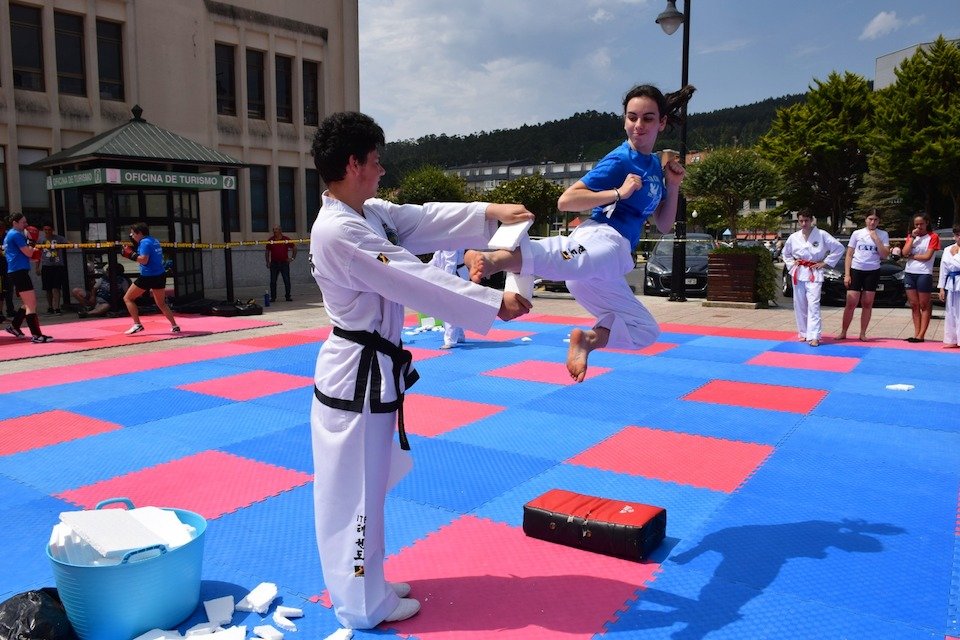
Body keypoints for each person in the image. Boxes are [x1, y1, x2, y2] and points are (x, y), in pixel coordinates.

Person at [308, 111, 533, 629]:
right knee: (353, 493)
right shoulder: (340, 230)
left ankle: (371, 583)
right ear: (353, 163)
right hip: (355, 375)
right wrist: (489, 303)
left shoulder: (367, 212)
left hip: (373, 370)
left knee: (371, 482)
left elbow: (424, 218)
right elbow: (410, 277)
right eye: (377, 159)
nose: (382, 168)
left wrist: (490, 210)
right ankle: (362, 605)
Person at [464, 84, 694, 382]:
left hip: (608, 265)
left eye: (648, 118)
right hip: (601, 240)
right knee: (575, 260)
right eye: (632, 117)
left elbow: (663, 224)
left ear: (661, 122)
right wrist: (617, 193)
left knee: (645, 330)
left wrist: (673, 185)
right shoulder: (620, 160)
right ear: (625, 120)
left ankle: (587, 341)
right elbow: (567, 200)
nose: (638, 126)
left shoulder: (653, 167)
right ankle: (497, 258)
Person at [781, 210, 844, 347]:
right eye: (801, 221)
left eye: (806, 221)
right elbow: (785, 253)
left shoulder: (821, 234)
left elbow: (839, 248)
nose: (804, 223)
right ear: (798, 221)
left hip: (814, 272)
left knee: (814, 304)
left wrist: (825, 263)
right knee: (799, 304)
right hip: (799, 272)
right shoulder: (793, 237)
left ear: (812, 220)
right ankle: (803, 332)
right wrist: (792, 265)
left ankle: (814, 335)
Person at [839, 209, 890, 341]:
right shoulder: (857, 233)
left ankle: (862, 333)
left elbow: (884, 255)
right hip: (857, 269)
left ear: (879, 221)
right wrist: (847, 274)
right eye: (870, 219)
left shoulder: (883, 234)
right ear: (865, 219)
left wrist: (876, 239)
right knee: (851, 302)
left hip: (873, 271)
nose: (872, 222)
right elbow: (849, 254)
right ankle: (843, 332)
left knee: (867, 303)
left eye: (875, 220)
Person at [121, 222, 180, 334]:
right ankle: (175, 325)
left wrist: (130, 255)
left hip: (148, 276)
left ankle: (137, 324)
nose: (131, 236)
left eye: (133, 233)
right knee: (161, 303)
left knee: (127, 298)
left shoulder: (144, 243)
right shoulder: (154, 240)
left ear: (139, 233)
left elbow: (144, 260)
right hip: (160, 275)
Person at [3, 213, 53, 343]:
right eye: (23, 222)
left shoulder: (10, 234)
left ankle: (14, 326)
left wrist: (32, 250)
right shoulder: (16, 235)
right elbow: (29, 252)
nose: (26, 225)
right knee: (31, 304)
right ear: (15, 222)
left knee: (27, 303)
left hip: (17, 271)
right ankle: (36, 335)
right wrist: (32, 241)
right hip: (18, 272)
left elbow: (25, 255)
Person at [902, 212, 940, 342]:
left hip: (924, 273)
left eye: (921, 224)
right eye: (916, 224)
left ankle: (921, 334)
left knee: (924, 304)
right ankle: (916, 332)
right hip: (910, 272)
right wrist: (912, 238)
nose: (919, 227)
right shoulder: (911, 237)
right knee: (914, 304)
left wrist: (913, 257)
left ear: (927, 223)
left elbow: (927, 256)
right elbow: (904, 252)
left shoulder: (933, 237)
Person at [427, 249, 468, 348]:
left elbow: (451, 263)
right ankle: (459, 336)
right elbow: (435, 260)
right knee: (455, 308)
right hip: (453, 275)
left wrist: (446, 281)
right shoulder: (441, 243)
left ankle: (450, 340)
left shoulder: (451, 241)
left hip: (455, 276)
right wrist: (423, 269)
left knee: (450, 308)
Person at [937, 223, 960, 348]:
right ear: (954, 236)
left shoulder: (954, 251)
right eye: (957, 235)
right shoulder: (947, 249)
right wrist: (941, 287)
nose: (959, 237)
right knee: (951, 312)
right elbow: (944, 269)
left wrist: (956, 255)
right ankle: (951, 340)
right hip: (951, 283)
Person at [36, 223, 68, 315]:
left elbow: (68, 244)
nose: (47, 231)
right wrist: (37, 267)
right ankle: (50, 307)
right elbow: (38, 254)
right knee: (47, 288)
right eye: (45, 229)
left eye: (49, 229)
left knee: (56, 287)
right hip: (46, 266)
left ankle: (57, 308)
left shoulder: (59, 238)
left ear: (52, 230)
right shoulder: (41, 240)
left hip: (58, 266)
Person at [266, 225, 297, 302]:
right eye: (274, 230)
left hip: (284, 263)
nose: (275, 231)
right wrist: (267, 262)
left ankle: (288, 296)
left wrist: (292, 258)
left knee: (286, 280)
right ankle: (273, 297)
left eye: (276, 229)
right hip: (274, 263)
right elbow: (267, 251)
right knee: (273, 281)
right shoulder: (271, 240)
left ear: (280, 230)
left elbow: (294, 248)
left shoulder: (286, 239)